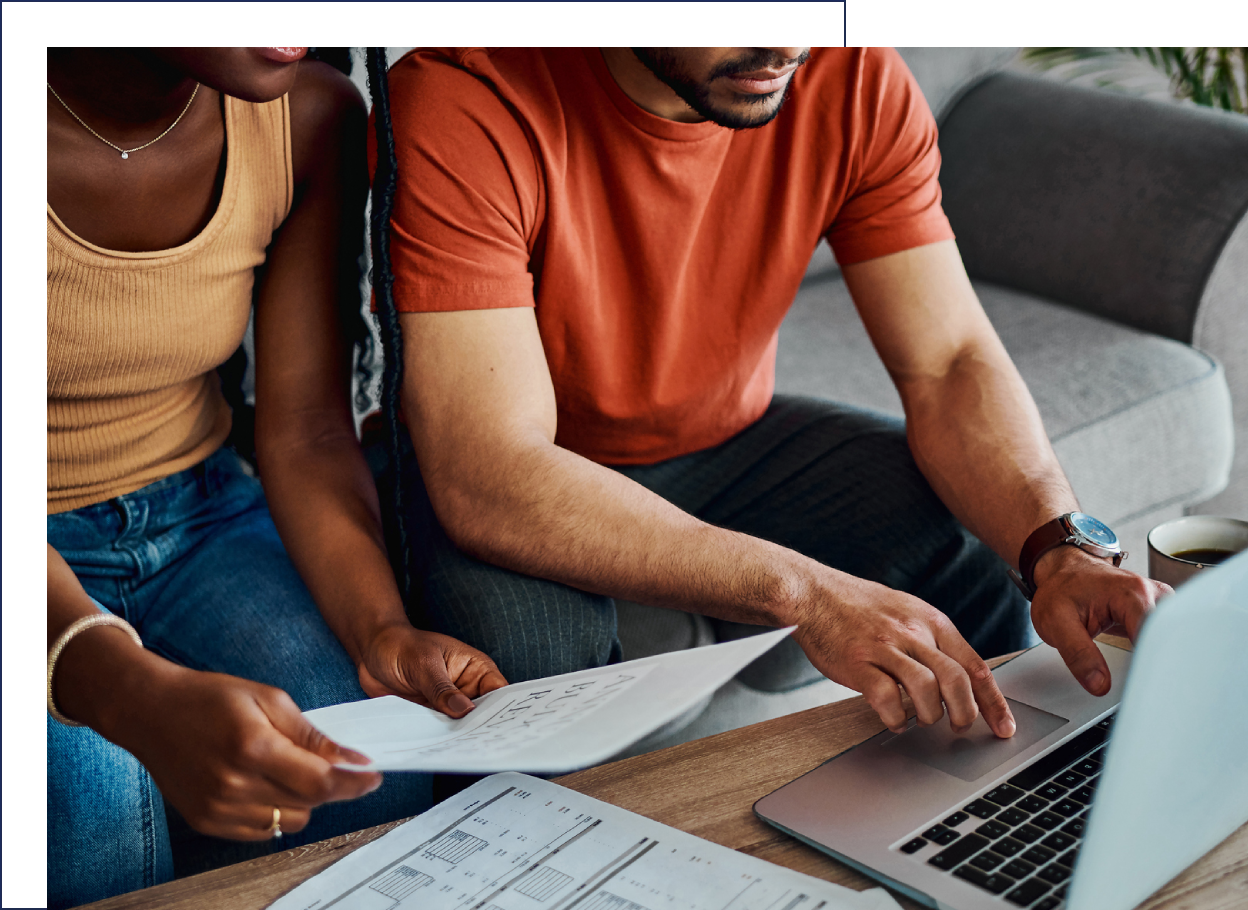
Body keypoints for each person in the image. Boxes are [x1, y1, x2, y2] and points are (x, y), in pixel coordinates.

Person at [366, 46, 1169, 742]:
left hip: (730, 443)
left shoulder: (854, 80)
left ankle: (997, 826)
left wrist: (1060, 548)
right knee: (529, 675)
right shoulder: (464, 98)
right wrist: (806, 593)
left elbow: (950, 362)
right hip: (524, 466)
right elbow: (489, 470)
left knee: (971, 547)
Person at [46, 47, 505, 910]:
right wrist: (130, 691)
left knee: (364, 769)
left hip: (204, 510)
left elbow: (303, 427)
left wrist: (382, 633)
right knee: (93, 817)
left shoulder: (310, 116)